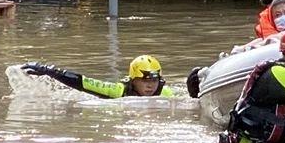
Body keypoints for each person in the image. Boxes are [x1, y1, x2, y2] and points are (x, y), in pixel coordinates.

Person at [22, 55, 175, 98]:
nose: (151, 86)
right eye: (144, 80)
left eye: (155, 81)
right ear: (133, 80)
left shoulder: (166, 94)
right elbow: (84, 82)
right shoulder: (118, 91)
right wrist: (49, 71)